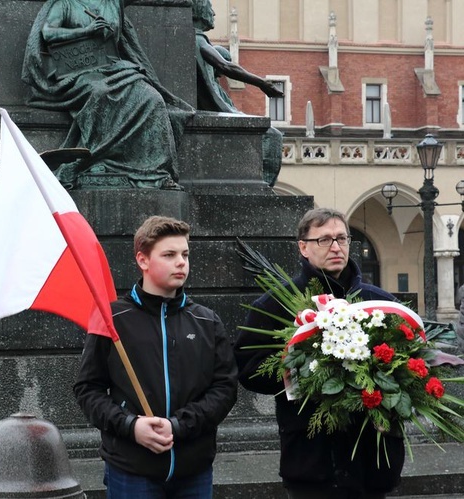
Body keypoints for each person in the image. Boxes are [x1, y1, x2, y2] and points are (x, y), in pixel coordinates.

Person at [235, 208, 405, 499]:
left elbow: (409, 364)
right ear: (303, 247)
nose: (336, 247)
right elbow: (249, 368)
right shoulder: (276, 303)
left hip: (372, 459)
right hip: (313, 459)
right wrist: (306, 367)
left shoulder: (380, 301)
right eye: (324, 240)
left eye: (342, 238)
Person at [74, 216, 238, 497]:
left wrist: (179, 425)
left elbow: (224, 388)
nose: (181, 262)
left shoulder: (206, 321)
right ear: (143, 260)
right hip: (132, 470)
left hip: (193, 471)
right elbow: (88, 389)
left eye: (185, 254)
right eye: (169, 255)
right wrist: (130, 425)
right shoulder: (112, 319)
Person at [22, 0, 195, 190]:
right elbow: (48, 32)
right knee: (100, 93)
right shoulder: (66, 3)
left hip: (113, 66)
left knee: (152, 98)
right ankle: (96, 157)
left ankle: (155, 170)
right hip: (79, 69)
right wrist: (87, 31)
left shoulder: (113, 3)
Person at [191, 0, 284, 187]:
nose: (214, 14)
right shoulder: (197, 39)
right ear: (200, 10)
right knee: (271, 135)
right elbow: (225, 66)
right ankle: (262, 188)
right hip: (209, 112)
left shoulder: (195, 38)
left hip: (208, 111)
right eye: (210, 9)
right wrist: (261, 83)